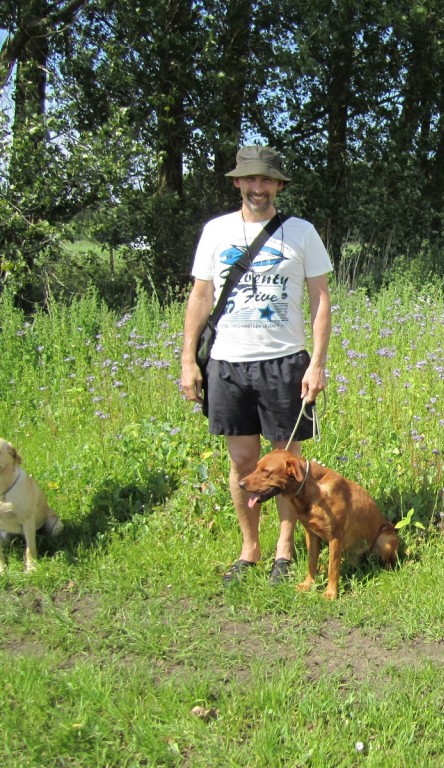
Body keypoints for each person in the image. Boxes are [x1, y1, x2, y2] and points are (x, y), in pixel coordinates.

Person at [179, 145, 332, 587]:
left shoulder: (301, 233)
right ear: (237, 183)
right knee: (244, 463)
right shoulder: (216, 232)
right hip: (228, 363)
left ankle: (285, 551)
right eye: (250, 180)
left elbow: (322, 299)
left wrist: (317, 363)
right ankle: (250, 550)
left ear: (278, 186)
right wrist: (189, 359)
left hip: (284, 362)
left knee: (286, 465)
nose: (258, 188)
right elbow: (201, 297)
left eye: (267, 180)